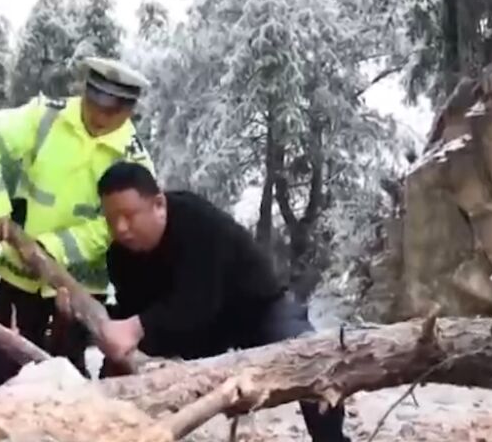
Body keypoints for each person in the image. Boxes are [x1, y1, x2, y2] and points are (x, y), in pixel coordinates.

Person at [75, 160, 351, 442]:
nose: (120, 229)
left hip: (255, 310)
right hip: (195, 330)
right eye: (111, 220)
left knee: (309, 354)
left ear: (158, 204)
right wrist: (97, 321)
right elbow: (136, 313)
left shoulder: (197, 223)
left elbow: (197, 302)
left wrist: (134, 327)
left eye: (129, 215)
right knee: (117, 364)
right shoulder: (119, 256)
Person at [0, 57, 155, 388]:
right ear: (84, 91)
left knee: (65, 385)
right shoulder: (45, 117)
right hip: (18, 281)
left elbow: (114, 228)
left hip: (77, 290)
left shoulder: (134, 159)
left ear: (129, 110)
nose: (98, 116)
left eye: (111, 112)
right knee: (3, 381)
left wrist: (52, 249)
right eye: (94, 103)